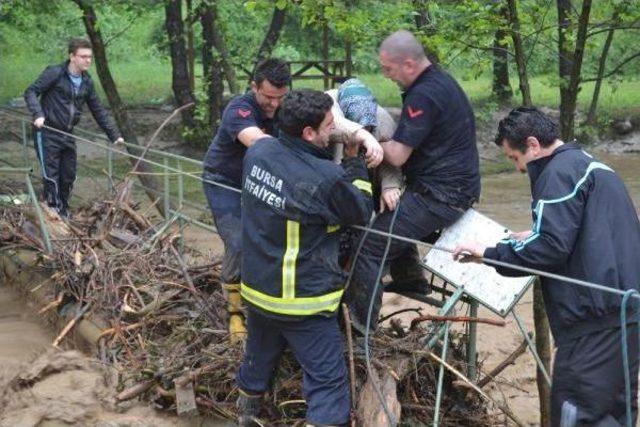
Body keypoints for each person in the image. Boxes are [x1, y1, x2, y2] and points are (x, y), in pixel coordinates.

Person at [453, 107, 640, 427]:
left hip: (592, 324)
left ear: (533, 144)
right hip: (626, 316)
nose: (518, 169)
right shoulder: (590, 165)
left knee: (576, 412)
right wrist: (533, 234)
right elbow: (587, 234)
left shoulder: (557, 173)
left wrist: (488, 253)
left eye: (514, 158)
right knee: (616, 413)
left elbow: (550, 248)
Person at [236, 89, 373, 427]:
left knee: (258, 356)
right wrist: (355, 159)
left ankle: (246, 413)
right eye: (329, 126)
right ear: (309, 133)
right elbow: (360, 210)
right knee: (328, 380)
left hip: (257, 288)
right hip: (300, 300)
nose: (333, 132)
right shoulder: (324, 177)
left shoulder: (260, 152)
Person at [344, 30, 481, 333]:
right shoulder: (439, 81)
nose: (386, 75)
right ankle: (410, 278)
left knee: (369, 245)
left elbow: (397, 156)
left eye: (388, 69)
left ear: (408, 64)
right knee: (391, 219)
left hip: (441, 195)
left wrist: (367, 139)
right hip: (450, 187)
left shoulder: (424, 94)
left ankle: (358, 330)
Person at [202, 58, 291, 343]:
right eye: (268, 97)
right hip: (225, 181)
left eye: (280, 98)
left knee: (272, 240)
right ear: (254, 87)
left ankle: (264, 305)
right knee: (239, 242)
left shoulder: (285, 106)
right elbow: (256, 141)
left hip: (260, 183)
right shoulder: (238, 109)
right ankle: (235, 313)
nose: (274, 105)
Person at [24, 38, 124, 218]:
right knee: (51, 175)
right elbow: (30, 92)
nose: (88, 60)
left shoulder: (87, 82)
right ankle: (54, 212)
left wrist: (114, 135)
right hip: (47, 131)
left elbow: (98, 110)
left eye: (90, 57)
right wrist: (38, 114)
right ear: (72, 57)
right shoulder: (55, 73)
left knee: (68, 175)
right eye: (83, 56)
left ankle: (64, 210)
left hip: (67, 133)